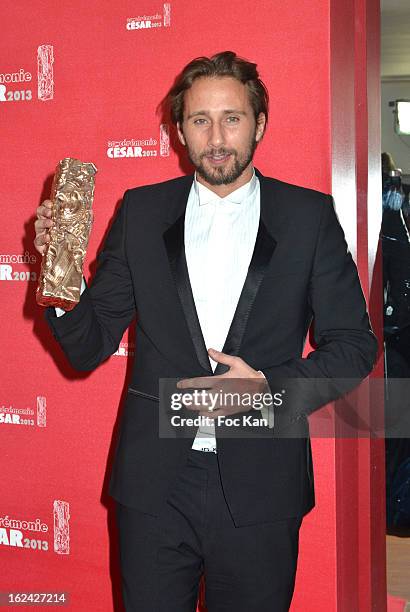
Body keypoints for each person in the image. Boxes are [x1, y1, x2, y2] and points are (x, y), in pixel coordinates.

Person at [34, 51, 377, 612]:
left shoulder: (307, 217)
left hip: (262, 486)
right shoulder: (142, 213)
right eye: (199, 120)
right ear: (179, 131)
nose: (216, 136)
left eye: (232, 118)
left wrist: (268, 387)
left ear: (260, 123)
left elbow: (355, 345)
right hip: (154, 488)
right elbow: (88, 345)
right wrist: (59, 279)